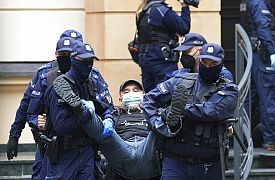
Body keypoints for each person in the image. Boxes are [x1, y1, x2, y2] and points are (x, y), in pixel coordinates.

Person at [142, 43, 238, 179]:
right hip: (175, 162)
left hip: (209, 165)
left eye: (213, 63)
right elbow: (148, 100)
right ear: (199, 60)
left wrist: (180, 109)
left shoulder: (229, 89)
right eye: (204, 61)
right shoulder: (181, 81)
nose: (208, 66)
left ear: (221, 63)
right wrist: (157, 124)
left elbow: (213, 111)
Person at [5, 29, 83, 179]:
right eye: (64, 52)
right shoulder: (44, 74)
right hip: (50, 144)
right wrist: (14, 136)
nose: (68, 55)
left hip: (81, 146)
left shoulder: (89, 73)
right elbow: (26, 107)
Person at [44, 79, 161, 179]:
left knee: (161, 122)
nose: (131, 94)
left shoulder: (152, 112)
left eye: (136, 91)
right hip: (121, 153)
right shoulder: (114, 115)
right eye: (126, 91)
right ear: (120, 99)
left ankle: (175, 101)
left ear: (144, 95)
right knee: (103, 127)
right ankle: (81, 108)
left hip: (148, 151)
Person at [44, 42, 108, 179]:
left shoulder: (89, 84)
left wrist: (108, 119)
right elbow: (61, 127)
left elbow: (105, 108)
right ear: (73, 60)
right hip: (64, 154)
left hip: (87, 151)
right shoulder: (60, 86)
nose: (89, 65)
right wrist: (87, 114)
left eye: (91, 61)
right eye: (84, 61)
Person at [244, 0, 275, 150]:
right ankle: (271, 140)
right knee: (268, 97)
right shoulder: (260, 3)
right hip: (263, 56)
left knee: (249, 98)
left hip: (256, 55)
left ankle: (241, 138)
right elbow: (263, 29)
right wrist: (272, 51)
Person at [136, 0, 191, 93]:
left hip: (146, 61)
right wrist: (185, 6)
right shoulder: (162, 11)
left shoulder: (143, 11)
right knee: (167, 96)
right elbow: (183, 28)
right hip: (163, 62)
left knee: (151, 97)